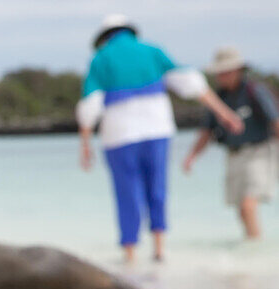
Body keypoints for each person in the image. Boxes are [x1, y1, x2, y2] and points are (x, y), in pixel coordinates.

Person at [76, 15, 243, 263]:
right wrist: (225, 114)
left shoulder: (101, 58)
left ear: (105, 37)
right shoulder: (151, 51)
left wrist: (86, 145)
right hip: (157, 128)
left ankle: (130, 252)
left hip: (119, 134)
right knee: (158, 187)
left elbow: (90, 106)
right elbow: (191, 84)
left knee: (127, 192)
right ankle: (159, 248)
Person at [183, 47, 279, 240]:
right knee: (240, 209)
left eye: (225, 71)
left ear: (238, 70)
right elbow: (206, 132)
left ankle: (254, 251)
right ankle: (251, 247)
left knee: (248, 205)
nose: (221, 76)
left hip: (259, 151)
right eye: (219, 72)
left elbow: (274, 121)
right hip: (233, 155)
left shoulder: (255, 91)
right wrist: (191, 157)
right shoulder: (218, 98)